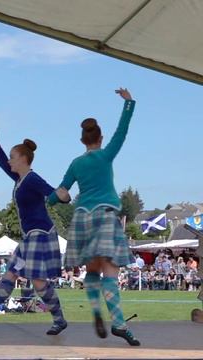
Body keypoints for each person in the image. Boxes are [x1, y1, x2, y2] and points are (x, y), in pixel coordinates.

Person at [48, 88, 140, 346]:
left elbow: (62, 191)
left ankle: (96, 312)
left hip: (81, 218)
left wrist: (49, 201)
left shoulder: (76, 163)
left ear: (83, 141)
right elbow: (122, 132)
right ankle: (119, 324)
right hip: (104, 215)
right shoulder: (106, 155)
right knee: (110, 271)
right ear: (100, 138)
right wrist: (129, 104)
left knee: (91, 269)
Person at [0, 123, 68, 336]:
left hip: (40, 235)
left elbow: (51, 193)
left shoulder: (32, 178)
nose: (10, 161)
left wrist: (63, 196)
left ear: (23, 159)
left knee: (38, 281)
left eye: (13, 157)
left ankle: (59, 320)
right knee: (12, 273)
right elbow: (3, 164)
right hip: (30, 236)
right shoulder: (20, 179)